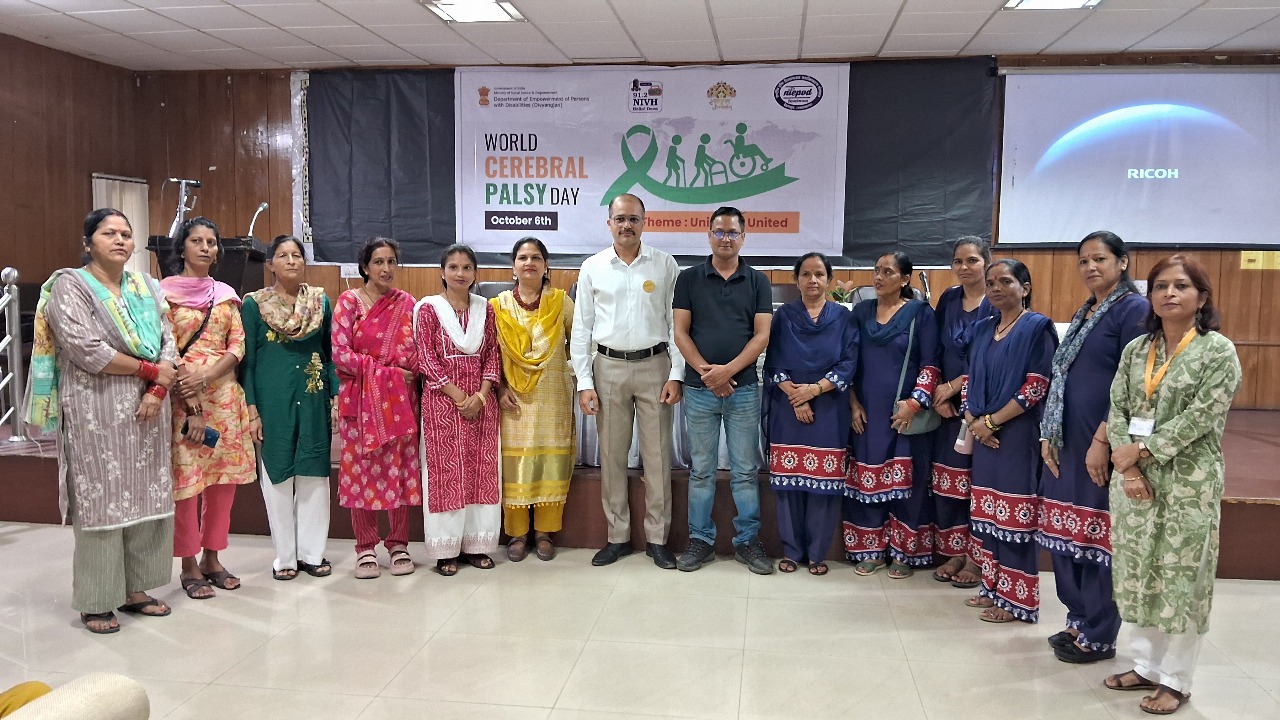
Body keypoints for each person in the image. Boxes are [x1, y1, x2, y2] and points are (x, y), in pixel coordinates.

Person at [26, 208, 178, 633]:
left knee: (146, 497)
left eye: (126, 234)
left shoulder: (147, 286)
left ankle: (135, 590)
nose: (120, 240)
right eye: (109, 233)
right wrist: (150, 371)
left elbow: (168, 340)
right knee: (102, 500)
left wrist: (158, 390)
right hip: (96, 410)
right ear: (88, 242)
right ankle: (97, 599)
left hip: (149, 411)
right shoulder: (70, 286)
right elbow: (84, 347)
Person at [1103, 255, 1241, 715]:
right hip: (1133, 481)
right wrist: (1129, 468)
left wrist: (1142, 452)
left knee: (1181, 579)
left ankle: (1176, 680)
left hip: (1188, 484)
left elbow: (1203, 416)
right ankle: (1144, 665)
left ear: (1201, 297)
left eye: (1181, 286)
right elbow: (1117, 408)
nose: (1169, 293)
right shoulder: (1136, 350)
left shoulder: (1217, 351)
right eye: (1160, 285)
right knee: (1139, 571)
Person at [1039, 231, 1148, 663]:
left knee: (1096, 539)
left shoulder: (1133, 310)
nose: (1090, 267)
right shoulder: (1085, 310)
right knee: (1067, 534)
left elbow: (1130, 384)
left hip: (1098, 443)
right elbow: (1062, 378)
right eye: (1083, 260)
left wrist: (1102, 439)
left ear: (1122, 262)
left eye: (1099, 259)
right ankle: (1078, 618)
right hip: (1066, 440)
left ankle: (1100, 633)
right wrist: (1049, 433)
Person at [571, 193, 685, 569]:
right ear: (609, 223)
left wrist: (676, 373)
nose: (626, 225)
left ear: (644, 222)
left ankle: (657, 538)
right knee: (612, 456)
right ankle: (617, 536)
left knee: (657, 457)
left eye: (633, 219)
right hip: (608, 368)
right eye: (620, 219)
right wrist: (585, 382)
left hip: (655, 366)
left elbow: (675, 324)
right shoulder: (593, 267)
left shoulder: (665, 264)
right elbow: (582, 328)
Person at [672, 206, 773, 574]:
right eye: (719, 231)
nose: (725, 238)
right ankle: (700, 540)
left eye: (732, 232)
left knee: (745, 470)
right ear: (709, 235)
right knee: (701, 470)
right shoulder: (689, 279)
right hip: (700, 391)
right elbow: (680, 332)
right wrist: (707, 373)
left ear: (743, 237)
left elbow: (761, 335)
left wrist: (727, 372)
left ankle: (747, 541)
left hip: (743, 389)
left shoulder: (758, 281)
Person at [160, 217, 256, 600]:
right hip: (183, 400)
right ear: (182, 248)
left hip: (225, 399)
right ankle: (188, 565)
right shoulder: (164, 294)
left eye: (211, 242)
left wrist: (208, 376)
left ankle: (213, 558)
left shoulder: (226, 295)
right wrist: (191, 388)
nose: (205, 248)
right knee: (187, 485)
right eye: (196, 241)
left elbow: (238, 344)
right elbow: (164, 347)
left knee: (222, 483)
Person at [960, 260, 1058, 623]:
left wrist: (991, 422)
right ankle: (992, 587)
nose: (996, 288)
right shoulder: (983, 329)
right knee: (989, 517)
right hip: (984, 437)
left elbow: (1037, 385)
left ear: (1025, 288)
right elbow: (970, 379)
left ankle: (1017, 601)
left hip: (1017, 435)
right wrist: (973, 421)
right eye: (991, 283)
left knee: (1014, 519)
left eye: (1006, 281)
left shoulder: (1037, 329)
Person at [241, 235, 337, 581]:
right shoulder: (254, 305)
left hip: (312, 397)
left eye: (297, 255)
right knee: (277, 476)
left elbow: (329, 354)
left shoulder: (319, 302)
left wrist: (335, 396)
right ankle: (285, 558)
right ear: (270, 265)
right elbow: (248, 363)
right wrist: (252, 411)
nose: (292, 260)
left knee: (314, 475)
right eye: (283, 255)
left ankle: (312, 554)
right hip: (273, 402)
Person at [844, 252, 939, 579]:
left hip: (905, 415)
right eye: (876, 270)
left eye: (888, 272)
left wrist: (914, 403)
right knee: (868, 482)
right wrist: (852, 403)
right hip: (866, 415)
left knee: (907, 486)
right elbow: (848, 362)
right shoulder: (860, 312)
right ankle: (870, 551)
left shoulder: (920, 314)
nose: (879, 277)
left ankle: (903, 553)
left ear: (905, 279)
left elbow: (931, 364)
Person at [763, 252, 857, 575]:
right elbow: (773, 360)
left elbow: (848, 363)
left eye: (819, 274)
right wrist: (797, 397)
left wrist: (814, 391)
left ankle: (817, 553)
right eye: (806, 274)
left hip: (829, 406)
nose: (813, 280)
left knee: (823, 485)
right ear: (796, 280)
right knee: (788, 484)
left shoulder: (843, 317)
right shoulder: (784, 316)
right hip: (788, 406)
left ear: (829, 279)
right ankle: (791, 551)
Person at [332, 238, 420, 579]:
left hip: (399, 402)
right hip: (360, 401)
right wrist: (389, 374)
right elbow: (341, 355)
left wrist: (402, 374)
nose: (386, 268)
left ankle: (398, 543)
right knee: (362, 472)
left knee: (398, 470)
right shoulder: (349, 302)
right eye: (378, 262)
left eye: (391, 261)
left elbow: (416, 351)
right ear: (365, 267)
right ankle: (365, 546)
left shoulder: (407, 304)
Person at [414, 244, 501, 576]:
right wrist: (457, 395)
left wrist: (480, 396)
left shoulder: (485, 309)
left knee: (480, 474)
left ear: (475, 273)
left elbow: (492, 355)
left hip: (482, 405)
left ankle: (476, 546)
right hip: (442, 405)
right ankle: (446, 550)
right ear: (442, 271)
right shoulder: (428, 309)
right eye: (453, 267)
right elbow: (426, 358)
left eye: (467, 267)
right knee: (446, 476)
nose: (460, 273)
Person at [492, 237, 576, 562]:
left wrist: (567, 371)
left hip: (553, 397)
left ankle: (544, 532)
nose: (529, 262)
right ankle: (516, 534)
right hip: (513, 398)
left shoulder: (560, 302)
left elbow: (580, 343)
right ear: (513, 266)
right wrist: (500, 388)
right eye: (523, 257)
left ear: (545, 266)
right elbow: (489, 354)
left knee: (550, 461)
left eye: (536, 257)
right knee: (516, 465)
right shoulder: (497, 306)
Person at [930, 237, 996, 588]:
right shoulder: (949, 299)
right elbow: (935, 348)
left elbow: (996, 354)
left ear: (986, 262)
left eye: (972, 260)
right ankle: (955, 552)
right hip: (947, 409)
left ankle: (977, 559)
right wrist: (938, 393)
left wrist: (954, 386)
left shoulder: (998, 299)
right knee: (949, 485)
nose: (964, 267)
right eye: (958, 261)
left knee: (977, 484)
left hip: (984, 405)